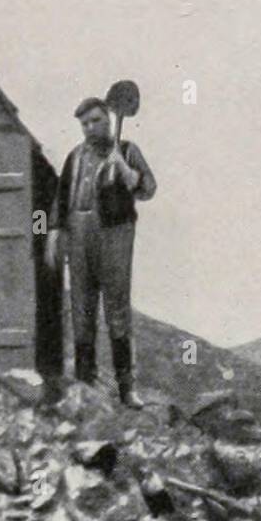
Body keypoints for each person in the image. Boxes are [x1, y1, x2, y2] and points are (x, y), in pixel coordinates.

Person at [46, 86, 157, 407]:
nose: (90, 128)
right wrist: (54, 231)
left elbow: (149, 188)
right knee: (82, 309)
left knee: (117, 310)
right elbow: (60, 196)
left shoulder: (126, 149)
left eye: (95, 121)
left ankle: (126, 389)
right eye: (84, 124)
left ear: (108, 119)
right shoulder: (75, 157)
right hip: (79, 232)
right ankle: (85, 383)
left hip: (114, 234)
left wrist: (125, 170)